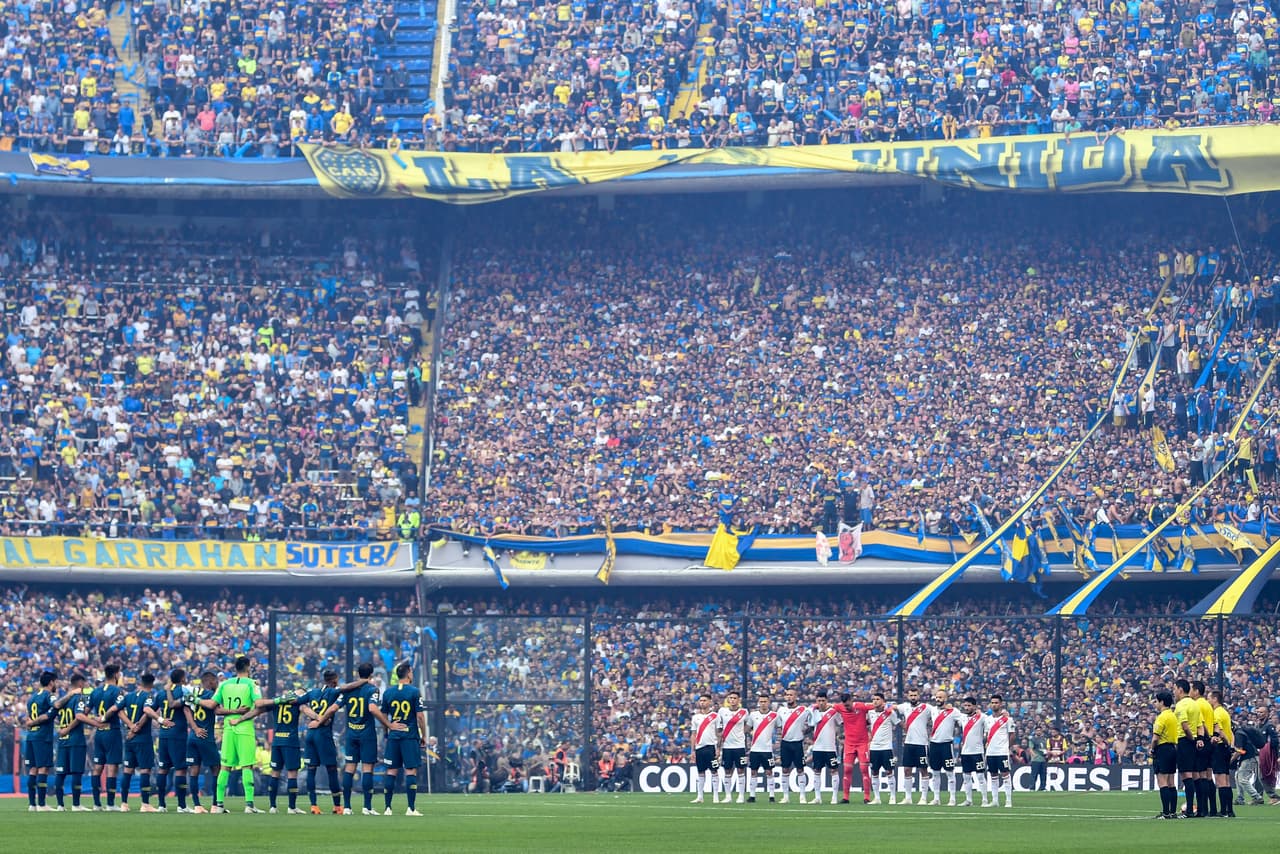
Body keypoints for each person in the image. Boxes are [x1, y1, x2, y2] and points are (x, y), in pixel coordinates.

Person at [330, 661, 406, 815]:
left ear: (358, 674)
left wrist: (319, 719)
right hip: (367, 734)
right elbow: (372, 708)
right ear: (371, 674)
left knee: (349, 768)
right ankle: (367, 807)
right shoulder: (372, 689)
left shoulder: (348, 690)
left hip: (351, 734)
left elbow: (333, 708)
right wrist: (389, 724)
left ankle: (347, 807)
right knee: (367, 769)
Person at [232, 682, 313, 814]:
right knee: (292, 774)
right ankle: (292, 807)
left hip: (277, 741)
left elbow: (257, 711)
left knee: (275, 773)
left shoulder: (277, 702)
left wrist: (239, 720)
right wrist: (320, 718)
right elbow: (308, 712)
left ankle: (273, 807)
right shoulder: (298, 703)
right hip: (290, 742)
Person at [214, 655, 264, 814]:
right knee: (247, 766)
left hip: (228, 729)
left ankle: (219, 805)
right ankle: (249, 805)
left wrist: (232, 713)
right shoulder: (252, 684)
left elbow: (215, 708)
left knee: (225, 767)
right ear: (248, 667)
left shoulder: (224, 684)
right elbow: (259, 704)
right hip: (245, 729)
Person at [380, 662, 426, 816]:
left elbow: (383, 716)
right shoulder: (414, 692)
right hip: (409, 736)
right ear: (409, 673)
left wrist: (387, 730)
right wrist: (424, 735)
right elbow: (420, 716)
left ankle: (387, 808)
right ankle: (411, 809)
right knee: (410, 770)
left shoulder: (388, 692)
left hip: (394, 736)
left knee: (391, 771)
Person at [52, 672, 98, 811]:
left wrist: (63, 728)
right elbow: (79, 716)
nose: (85, 686)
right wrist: (96, 723)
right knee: (76, 772)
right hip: (75, 740)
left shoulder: (63, 700)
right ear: (80, 683)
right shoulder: (79, 698)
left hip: (63, 741)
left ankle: (60, 805)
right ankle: (76, 804)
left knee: (60, 773)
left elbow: (56, 711)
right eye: (84, 683)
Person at [120, 671, 165, 812]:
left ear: (140, 682)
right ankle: (145, 804)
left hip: (129, 738)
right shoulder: (149, 696)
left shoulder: (129, 696)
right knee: (145, 769)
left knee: (128, 770)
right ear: (152, 684)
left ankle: (124, 803)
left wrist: (130, 725)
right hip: (142, 738)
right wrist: (136, 728)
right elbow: (147, 712)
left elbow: (118, 710)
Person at [302, 669, 343, 814]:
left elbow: (300, 705)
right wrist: (321, 719)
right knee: (332, 769)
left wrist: (313, 716)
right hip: (323, 734)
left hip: (310, 734)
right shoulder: (334, 692)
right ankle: (337, 806)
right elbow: (345, 691)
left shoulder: (312, 692)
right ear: (335, 680)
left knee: (311, 770)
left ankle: (313, 806)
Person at [87, 664, 126, 810]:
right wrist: (104, 718)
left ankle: (97, 804)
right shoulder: (117, 691)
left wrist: (95, 721)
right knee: (112, 767)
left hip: (99, 733)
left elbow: (84, 712)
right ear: (115, 675)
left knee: (97, 767)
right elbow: (117, 709)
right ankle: (110, 804)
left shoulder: (95, 691)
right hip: (112, 731)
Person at [184, 670, 220, 814]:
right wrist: (236, 712)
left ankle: (197, 806)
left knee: (194, 770)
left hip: (192, 736)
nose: (217, 684)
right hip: (206, 737)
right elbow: (216, 709)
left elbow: (186, 709)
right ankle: (215, 805)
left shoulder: (194, 693)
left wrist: (194, 728)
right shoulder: (211, 694)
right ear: (211, 682)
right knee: (216, 769)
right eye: (216, 681)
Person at [156, 668, 191, 813]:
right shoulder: (184, 691)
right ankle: (181, 805)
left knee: (162, 769)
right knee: (180, 770)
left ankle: (161, 805)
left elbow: (149, 710)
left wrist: (160, 720)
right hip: (178, 735)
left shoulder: (161, 693)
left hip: (163, 735)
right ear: (182, 678)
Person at [833, 692, 874, 804]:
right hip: (849, 744)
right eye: (844, 705)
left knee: (864, 770)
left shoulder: (861, 707)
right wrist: (815, 706)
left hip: (862, 744)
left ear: (851, 700)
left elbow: (875, 706)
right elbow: (828, 706)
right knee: (847, 770)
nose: (846, 707)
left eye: (848, 705)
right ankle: (845, 797)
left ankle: (867, 797)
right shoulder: (840, 707)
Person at [24, 669, 57, 812]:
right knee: (43, 768)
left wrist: (31, 723)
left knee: (33, 769)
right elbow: (52, 710)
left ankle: (32, 804)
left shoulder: (32, 698)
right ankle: (42, 804)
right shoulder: (49, 696)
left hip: (31, 736)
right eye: (55, 682)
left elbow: (27, 718)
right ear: (51, 682)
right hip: (42, 736)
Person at [895, 688, 932, 805]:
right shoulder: (905, 707)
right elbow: (892, 708)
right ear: (908, 696)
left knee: (923, 770)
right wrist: (898, 721)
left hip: (921, 743)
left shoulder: (926, 708)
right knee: (907, 769)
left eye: (915, 695)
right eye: (911, 695)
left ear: (919, 696)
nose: (913, 697)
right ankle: (908, 798)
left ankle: (924, 798)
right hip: (908, 743)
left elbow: (938, 712)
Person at [1172, 678, 1202, 818]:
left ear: (1180, 689)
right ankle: (1200, 808)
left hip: (1184, 741)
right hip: (1194, 741)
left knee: (1186, 775)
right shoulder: (1195, 704)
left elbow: (1184, 726)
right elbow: (1200, 725)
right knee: (1196, 775)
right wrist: (1198, 739)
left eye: (1174, 689)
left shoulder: (1181, 705)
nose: (1174, 692)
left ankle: (1189, 810)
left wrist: (1191, 738)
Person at [806, 690, 842, 805]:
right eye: (819, 700)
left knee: (834, 770)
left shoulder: (833, 712)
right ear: (816, 701)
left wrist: (840, 736)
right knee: (817, 771)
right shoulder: (813, 712)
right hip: (817, 747)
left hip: (830, 748)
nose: (821, 702)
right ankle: (817, 797)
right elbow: (810, 725)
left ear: (827, 701)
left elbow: (841, 723)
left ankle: (834, 797)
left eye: (823, 700)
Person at [926, 690, 961, 807]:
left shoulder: (953, 711)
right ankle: (936, 798)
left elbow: (964, 720)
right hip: (934, 744)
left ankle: (952, 799)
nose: (938, 699)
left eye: (940, 697)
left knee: (950, 772)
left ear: (945, 699)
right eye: (937, 697)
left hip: (946, 745)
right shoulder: (932, 710)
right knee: (935, 772)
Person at [774, 688, 809, 804]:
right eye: (787, 695)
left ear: (796, 696)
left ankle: (802, 796)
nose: (789, 697)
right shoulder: (781, 710)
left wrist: (806, 731)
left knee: (800, 769)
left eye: (791, 695)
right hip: (785, 743)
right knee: (785, 769)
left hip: (798, 743)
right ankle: (785, 796)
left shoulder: (803, 710)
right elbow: (778, 726)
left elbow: (813, 721)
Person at [865, 692, 900, 805]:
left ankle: (893, 797)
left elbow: (898, 723)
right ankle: (877, 798)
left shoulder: (889, 713)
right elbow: (866, 724)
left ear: (883, 701)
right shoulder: (870, 712)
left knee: (889, 771)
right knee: (874, 772)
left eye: (877, 699)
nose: (875, 701)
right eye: (873, 699)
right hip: (874, 748)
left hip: (886, 748)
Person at [1151, 690, 1181, 819]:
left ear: (1162, 702)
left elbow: (1155, 738)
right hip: (1172, 748)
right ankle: (1173, 812)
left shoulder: (1162, 717)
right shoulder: (1173, 716)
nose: (1155, 704)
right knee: (1171, 782)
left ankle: (1165, 812)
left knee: (1162, 781)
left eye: (1156, 701)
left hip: (1162, 749)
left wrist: (1152, 749)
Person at [716, 690, 749, 804]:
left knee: (741, 770)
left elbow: (748, 726)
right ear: (728, 700)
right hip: (727, 746)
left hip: (739, 746)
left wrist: (741, 734)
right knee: (727, 771)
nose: (732, 700)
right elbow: (719, 730)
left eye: (735, 698)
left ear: (739, 700)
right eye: (730, 698)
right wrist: (718, 747)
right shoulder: (722, 711)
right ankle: (728, 796)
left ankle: (741, 796)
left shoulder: (744, 712)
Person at [744, 692, 778, 803]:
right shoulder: (753, 715)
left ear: (769, 702)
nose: (763, 703)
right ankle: (752, 796)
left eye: (765, 701)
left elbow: (780, 728)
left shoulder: (774, 715)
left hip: (767, 750)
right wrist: (750, 733)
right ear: (759, 702)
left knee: (769, 772)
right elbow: (747, 729)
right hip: (755, 749)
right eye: (761, 701)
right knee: (753, 772)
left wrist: (778, 741)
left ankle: (772, 796)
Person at [957, 696, 990, 807]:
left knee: (980, 776)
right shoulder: (962, 717)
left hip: (977, 752)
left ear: (975, 706)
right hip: (965, 752)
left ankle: (985, 800)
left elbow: (990, 723)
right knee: (966, 777)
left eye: (969, 705)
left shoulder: (982, 717)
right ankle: (968, 800)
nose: (966, 708)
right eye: (965, 705)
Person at [1207, 690, 1236, 817]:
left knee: (1220, 780)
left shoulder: (1217, 713)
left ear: (1215, 699)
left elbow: (1220, 731)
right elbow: (1231, 732)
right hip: (1225, 749)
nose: (1208, 701)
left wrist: (1223, 741)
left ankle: (1223, 810)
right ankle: (1230, 810)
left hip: (1219, 748)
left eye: (1209, 698)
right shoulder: (1225, 712)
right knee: (1226, 780)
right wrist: (1230, 745)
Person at [1189, 680, 1216, 816]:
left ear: (1196, 691)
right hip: (1209, 742)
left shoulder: (1197, 704)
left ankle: (1202, 809)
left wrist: (1205, 737)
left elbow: (1202, 723)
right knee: (1207, 776)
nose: (1189, 691)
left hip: (1203, 740)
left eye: (1191, 689)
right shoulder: (1207, 704)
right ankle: (1212, 808)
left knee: (1200, 775)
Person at [984, 694, 1015, 808]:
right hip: (990, 752)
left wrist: (1007, 747)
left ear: (1001, 704)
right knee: (993, 775)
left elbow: (1012, 735)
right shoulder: (987, 720)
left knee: (1005, 774)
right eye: (992, 703)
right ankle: (995, 800)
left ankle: (1008, 801)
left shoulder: (1007, 719)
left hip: (1002, 752)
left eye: (996, 703)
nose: (994, 705)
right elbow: (986, 735)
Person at [689, 692, 720, 804]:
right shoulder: (695, 717)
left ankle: (715, 796)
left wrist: (718, 748)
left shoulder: (715, 716)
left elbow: (719, 733)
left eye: (704, 700)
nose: (702, 703)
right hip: (699, 748)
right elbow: (693, 734)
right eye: (701, 701)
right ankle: (700, 796)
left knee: (714, 771)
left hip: (711, 747)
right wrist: (692, 750)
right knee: (700, 772)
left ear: (710, 702)